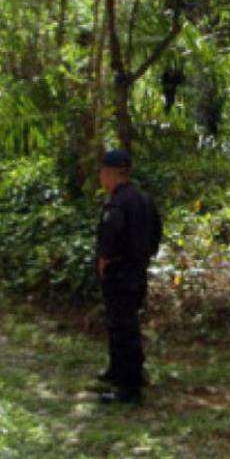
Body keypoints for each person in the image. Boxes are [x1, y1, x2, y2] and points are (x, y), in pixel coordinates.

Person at [95, 149, 162, 405]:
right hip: (137, 270)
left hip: (120, 272)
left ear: (112, 173)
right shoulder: (144, 199)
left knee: (123, 327)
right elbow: (156, 232)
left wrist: (105, 259)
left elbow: (111, 234)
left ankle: (128, 389)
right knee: (124, 322)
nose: (100, 177)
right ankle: (118, 371)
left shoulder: (119, 202)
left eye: (102, 172)